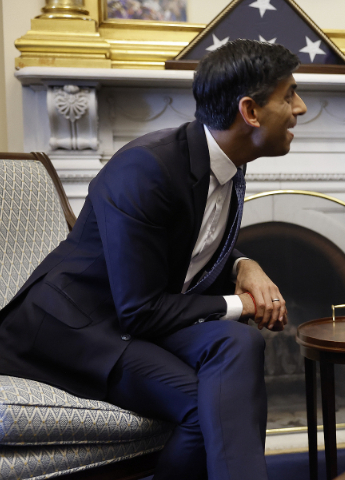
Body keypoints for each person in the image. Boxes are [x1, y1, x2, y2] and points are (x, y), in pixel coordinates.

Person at [0, 39, 307, 478]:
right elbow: (140, 311)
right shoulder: (145, 169)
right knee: (205, 409)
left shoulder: (228, 160)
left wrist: (243, 265)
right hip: (78, 325)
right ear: (250, 112)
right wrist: (243, 304)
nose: (301, 108)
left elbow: (188, 244)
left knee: (242, 341)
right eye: (289, 95)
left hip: (142, 314)